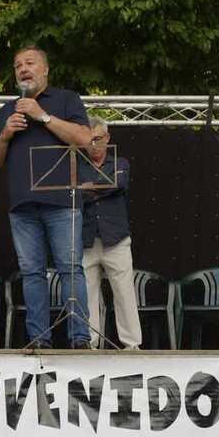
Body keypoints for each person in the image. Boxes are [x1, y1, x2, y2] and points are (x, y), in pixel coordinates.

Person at [0, 46, 93, 349]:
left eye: (30, 63)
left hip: (62, 203)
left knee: (70, 269)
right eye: (18, 65)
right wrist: (5, 135)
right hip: (22, 208)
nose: (23, 69)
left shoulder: (66, 100)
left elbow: (85, 139)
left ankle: (80, 339)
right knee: (32, 274)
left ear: (45, 69)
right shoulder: (7, 111)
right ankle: (39, 340)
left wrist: (42, 116)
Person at [80, 117, 142, 349]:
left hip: (116, 239)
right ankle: (90, 344)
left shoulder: (121, 163)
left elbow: (118, 183)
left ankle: (132, 345)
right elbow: (75, 194)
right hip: (87, 239)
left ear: (107, 138)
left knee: (125, 292)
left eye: (97, 139)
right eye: (88, 140)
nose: (93, 144)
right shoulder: (78, 166)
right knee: (88, 295)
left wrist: (90, 189)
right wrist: (99, 188)